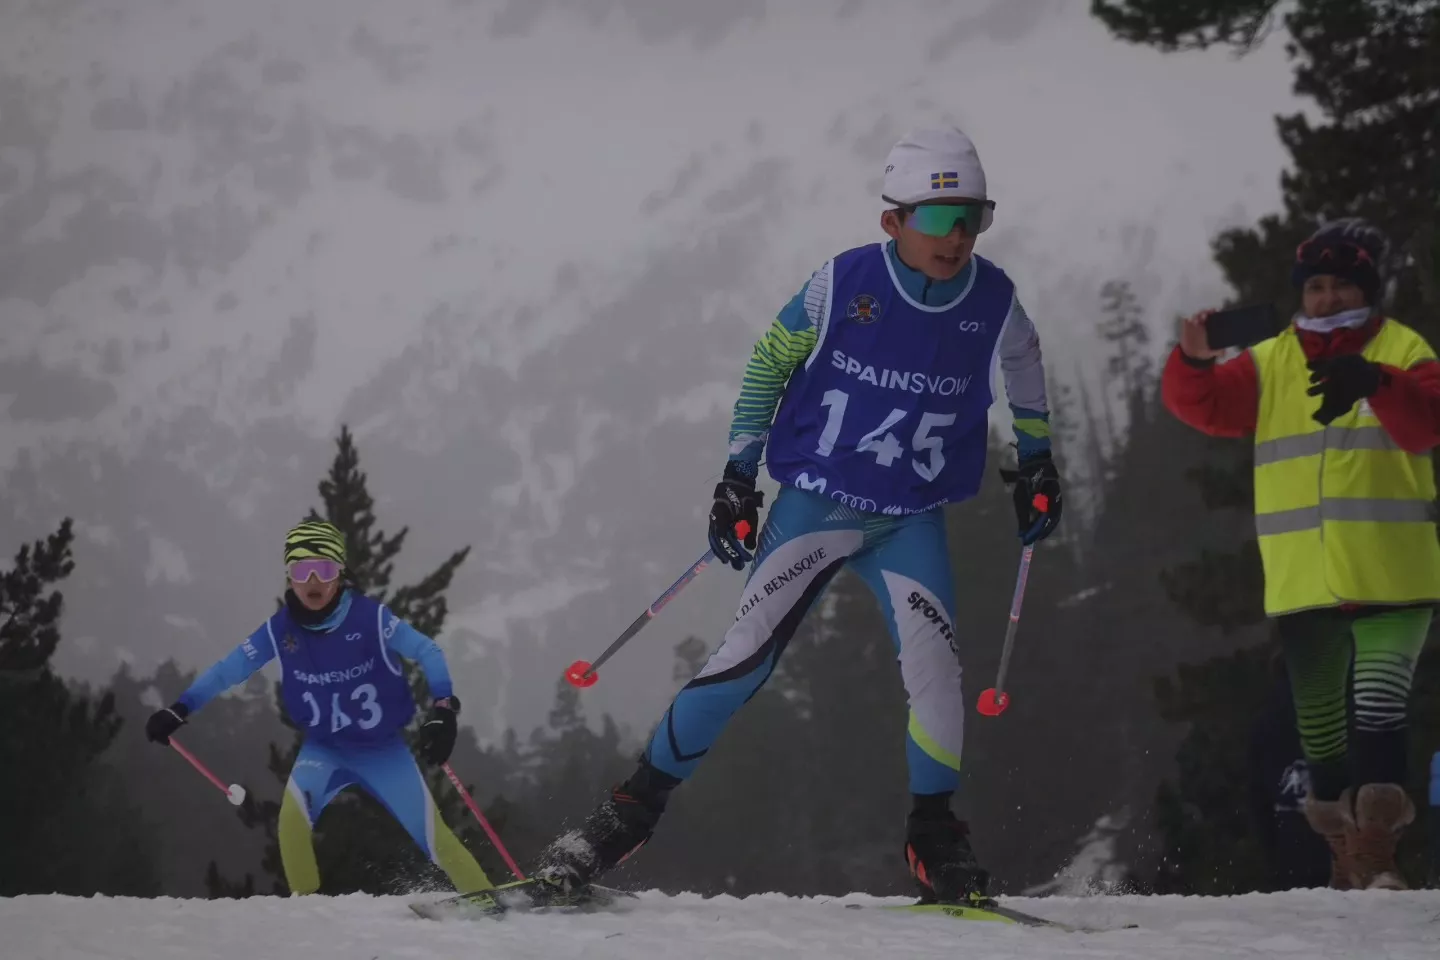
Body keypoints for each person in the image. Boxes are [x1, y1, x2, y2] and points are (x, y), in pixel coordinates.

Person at [531, 127, 1062, 904]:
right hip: (818, 502)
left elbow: (1024, 364)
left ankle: (934, 832)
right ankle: (626, 811)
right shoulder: (842, 283)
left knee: (938, 670)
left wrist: (1038, 458)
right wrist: (737, 478)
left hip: (910, 518)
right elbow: (769, 364)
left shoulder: (994, 297)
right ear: (893, 222)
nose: (958, 238)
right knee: (743, 657)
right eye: (939, 219)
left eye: (973, 217)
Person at [1162, 217, 1440, 890]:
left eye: (1341, 284)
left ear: (1367, 287)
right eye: (1314, 286)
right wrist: (1195, 358)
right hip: (1302, 580)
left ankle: (1377, 850)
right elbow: (1204, 407)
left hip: (1390, 572)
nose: (1326, 298)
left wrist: (1373, 380)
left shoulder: (1406, 349)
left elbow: (1426, 425)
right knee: (1320, 731)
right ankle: (1347, 853)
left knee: (1378, 711)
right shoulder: (1274, 357)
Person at [144, 520, 491, 897]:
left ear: (339, 574)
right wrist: (180, 709)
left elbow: (427, 650)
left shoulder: (369, 618)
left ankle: (487, 902)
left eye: (323, 569)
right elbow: (229, 670)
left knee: (434, 837)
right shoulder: (280, 630)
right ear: (289, 577)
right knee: (291, 823)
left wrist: (443, 708)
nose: (312, 580)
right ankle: (308, 916)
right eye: (300, 569)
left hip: (381, 750)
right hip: (323, 749)